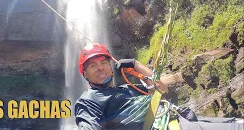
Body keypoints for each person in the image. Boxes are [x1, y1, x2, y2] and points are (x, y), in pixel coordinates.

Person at [74, 43, 243, 130]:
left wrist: (136, 65)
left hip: (183, 118)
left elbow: (161, 89)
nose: (100, 68)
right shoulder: (88, 100)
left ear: (111, 68)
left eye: (104, 62)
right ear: (85, 74)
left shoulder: (128, 88)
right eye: (92, 66)